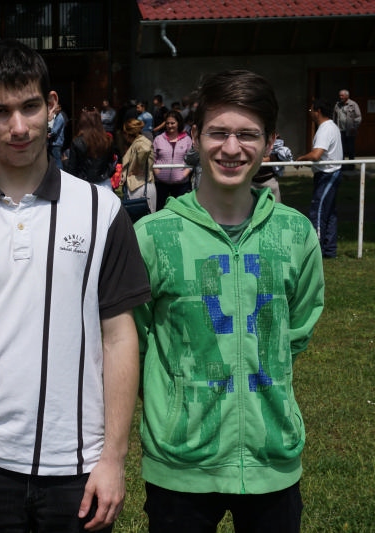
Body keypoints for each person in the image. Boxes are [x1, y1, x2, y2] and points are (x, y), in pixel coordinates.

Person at [0, 38, 150, 533]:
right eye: (0, 112)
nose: (18, 127)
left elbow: (119, 337)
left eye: (30, 107)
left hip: (79, 464)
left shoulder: (101, 211)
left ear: (52, 105)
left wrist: (113, 459)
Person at [133, 69, 325, 533]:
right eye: (218, 132)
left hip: (272, 457)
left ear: (270, 140)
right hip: (180, 462)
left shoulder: (296, 233)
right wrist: (176, 402)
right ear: (196, 136)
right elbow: (132, 340)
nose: (232, 148)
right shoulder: (153, 237)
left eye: (248, 134)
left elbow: (296, 329)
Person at [296, 98, 344, 258]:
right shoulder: (331, 127)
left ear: (318, 111)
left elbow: (316, 155)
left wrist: (301, 159)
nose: (310, 113)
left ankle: (315, 250)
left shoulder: (325, 129)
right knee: (330, 213)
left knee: (318, 211)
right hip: (329, 173)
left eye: (311, 110)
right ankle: (329, 250)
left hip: (328, 174)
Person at [64, 106, 117, 187]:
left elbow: (72, 170)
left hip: (83, 184)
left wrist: (65, 162)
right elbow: (111, 164)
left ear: (82, 123)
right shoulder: (108, 140)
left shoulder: (77, 142)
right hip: (104, 183)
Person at [152, 110, 192, 211]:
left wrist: (184, 174)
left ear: (178, 123)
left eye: (172, 123)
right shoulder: (158, 139)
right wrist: (158, 173)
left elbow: (191, 160)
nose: (170, 126)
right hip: (161, 184)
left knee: (180, 211)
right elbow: (152, 158)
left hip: (181, 184)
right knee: (160, 210)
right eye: (167, 123)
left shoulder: (187, 139)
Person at [119, 118, 156, 214]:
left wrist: (138, 166)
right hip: (140, 186)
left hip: (140, 186)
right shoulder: (136, 142)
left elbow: (145, 149)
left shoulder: (141, 141)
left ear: (127, 133)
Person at [251, 134, 292, 203]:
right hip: (250, 181)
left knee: (275, 206)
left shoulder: (277, 139)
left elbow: (279, 156)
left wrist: (265, 159)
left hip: (269, 181)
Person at [333, 89, 362, 167]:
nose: (340, 97)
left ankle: (351, 165)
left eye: (342, 95)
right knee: (341, 148)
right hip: (340, 130)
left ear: (347, 96)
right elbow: (334, 117)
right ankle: (342, 165)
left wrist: (354, 127)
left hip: (350, 131)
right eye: (340, 95)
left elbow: (358, 117)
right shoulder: (337, 105)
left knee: (350, 148)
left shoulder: (353, 104)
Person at [48, 101, 67, 169]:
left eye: (55, 108)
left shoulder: (59, 118)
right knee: (55, 159)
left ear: (59, 108)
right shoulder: (57, 116)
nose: (53, 110)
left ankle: (60, 173)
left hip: (56, 143)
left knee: (57, 161)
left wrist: (49, 135)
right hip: (55, 142)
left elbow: (55, 131)